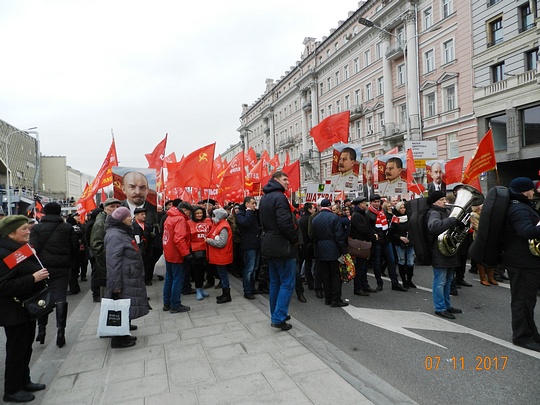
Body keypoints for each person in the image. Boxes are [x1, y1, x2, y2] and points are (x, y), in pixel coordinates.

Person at [0, 216, 48, 403]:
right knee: (16, 350)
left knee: (25, 347)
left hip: (26, 307)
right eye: (24, 230)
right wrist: (33, 279)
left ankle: (24, 380)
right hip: (14, 311)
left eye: (28, 228)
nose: (29, 232)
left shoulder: (17, 249)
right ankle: (11, 390)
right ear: (11, 233)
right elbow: (3, 285)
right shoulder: (4, 253)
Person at [29, 202, 78, 348]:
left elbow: (34, 248)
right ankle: (61, 332)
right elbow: (75, 246)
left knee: (43, 296)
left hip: (43, 268)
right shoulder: (67, 227)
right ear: (59, 212)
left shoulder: (37, 228)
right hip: (62, 268)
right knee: (60, 297)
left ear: (44, 212)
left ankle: (42, 329)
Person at [501, 177, 540, 351]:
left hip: (524, 261)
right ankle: (522, 337)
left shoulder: (520, 205)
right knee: (522, 301)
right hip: (522, 262)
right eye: (532, 189)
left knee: (527, 300)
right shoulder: (519, 208)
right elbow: (525, 231)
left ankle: (531, 333)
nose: (534, 192)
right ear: (525, 191)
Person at [104, 207, 149, 349]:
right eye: (128, 216)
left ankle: (125, 328)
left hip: (129, 275)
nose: (131, 218)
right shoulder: (115, 235)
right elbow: (113, 261)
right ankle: (118, 339)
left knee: (126, 304)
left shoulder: (121, 232)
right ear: (122, 219)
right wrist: (115, 284)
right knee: (121, 306)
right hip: (123, 277)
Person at [258, 171, 298, 331]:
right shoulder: (280, 197)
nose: (288, 182)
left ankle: (276, 313)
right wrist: (295, 238)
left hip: (269, 242)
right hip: (282, 243)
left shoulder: (265, 197)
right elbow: (285, 222)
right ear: (276, 180)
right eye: (285, 179)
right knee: (287, 282)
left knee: (275, 282)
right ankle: (279, 317)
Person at [427, 190, 463, 319]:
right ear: (434, 202)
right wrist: (452, 220)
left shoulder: (446, 212)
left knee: (448, 281)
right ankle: (440, 308)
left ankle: (447, 305)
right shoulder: (434, 212)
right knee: (440, 282)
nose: (445, 202)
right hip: (439, 252)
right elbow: (433, 227)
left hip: (449, 251)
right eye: (441, 200)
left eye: (445, 199)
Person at [311, 198, 348, 307]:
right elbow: (339, 237)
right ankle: (335, 298)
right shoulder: (334, 218)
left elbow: (313, 235)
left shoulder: (315, 219)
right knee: (335, 275)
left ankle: (327, 298)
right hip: (333, 249)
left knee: (325, 276)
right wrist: (343, 250)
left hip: (320, 249)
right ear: (330, 206)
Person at [366, 194, 407, 292]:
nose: (377, 204)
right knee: (377, 263)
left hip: (386, 239)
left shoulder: (383, 211)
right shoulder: (368, 213)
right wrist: (374, 235)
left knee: (391, 262)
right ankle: (379, 283)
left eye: (378, 201)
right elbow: (369, 229)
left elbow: (389, 222)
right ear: (371, 202)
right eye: (374, 202)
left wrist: (391, 226)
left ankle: (395, 283)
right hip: (377, 241)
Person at [162, 201, 192, 313]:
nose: (189, 215)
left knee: (169, 279)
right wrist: (186, 254)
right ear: (185, 210)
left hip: (169, 252)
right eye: (189, 212)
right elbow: (179, 239)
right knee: (177, 280)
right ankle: (175, 304)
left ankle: (167, 303)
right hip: (177, 254)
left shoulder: (169, 217)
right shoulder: (180, 219)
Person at [90, 198, 121, 302]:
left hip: (114, 266)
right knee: (109, 299)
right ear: (105, 209)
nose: (115, 209)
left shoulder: (115, 220)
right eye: (112, 207)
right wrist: (112, 256)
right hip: (106, 267)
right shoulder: (101, 223)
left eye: (117, 207)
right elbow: (97, 246)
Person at [350, 197, 377, 296]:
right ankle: (358, 288)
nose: (365, 204)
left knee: (364, 266)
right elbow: (363, 229)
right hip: (360, 244)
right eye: (364, 203)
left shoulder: (363, 214)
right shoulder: (356, 216)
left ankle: (365, 285)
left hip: (365, 243)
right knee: (360, 267)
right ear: (359, 205)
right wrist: (373, 236)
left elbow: (368, 227)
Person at [235, 196, 261, 300]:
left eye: (255, 203)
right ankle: (247, 290)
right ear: (247, 204)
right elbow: (245, 223)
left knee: (254, 268)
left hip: (256, 243)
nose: (255, 205)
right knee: (249, 269)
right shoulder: (241, 214)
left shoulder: (254, 213)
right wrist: (249, 211)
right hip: (249, 244)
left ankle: (252, 287)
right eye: (253, 203)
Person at [205, 208, 233, 304]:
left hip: (222, 255)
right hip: (219, 255)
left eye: (213, 215)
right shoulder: (218, 225)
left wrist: (209, 241)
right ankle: (224, 293)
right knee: (222, 274)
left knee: (223, 275)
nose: (212, 217)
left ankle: (226, 295)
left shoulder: (223, 226)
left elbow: (221, 243)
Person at [188, 205, 211, 300]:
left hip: (207, 249)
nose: (199, 215)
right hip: (195, 250)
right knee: (197, 271)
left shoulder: (208, 221)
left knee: (203, 271)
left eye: (201, 213)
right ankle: (198, 289)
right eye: (197, 213)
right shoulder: (189, 223)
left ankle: (201, 288)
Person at [392, 201, 416, 288]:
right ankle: (404, 281)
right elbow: (392, 232)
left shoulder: (409, 217)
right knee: (401, 261)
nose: (403, 210)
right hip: (399, 242)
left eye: (404, 208)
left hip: (410, 241)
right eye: (401, 208)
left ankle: (409, 280)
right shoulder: (395, 218)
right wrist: (400, 238)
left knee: (411, 262)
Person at [131, 207, 154, 286]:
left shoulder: (148, 226)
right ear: (136, 215)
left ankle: (147, 279)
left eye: (145, 214)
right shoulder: (133, 226)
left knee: (147, 265)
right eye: (142, 214)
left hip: (147, 249)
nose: (144, 216)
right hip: (138, 250)